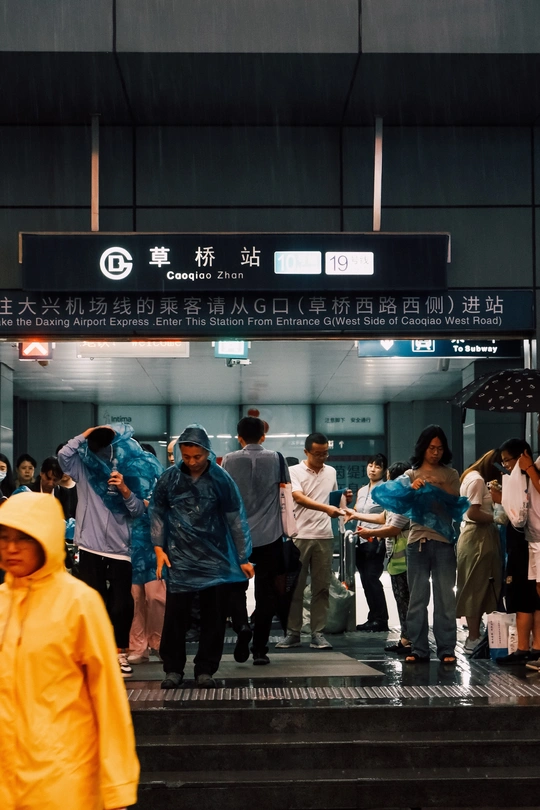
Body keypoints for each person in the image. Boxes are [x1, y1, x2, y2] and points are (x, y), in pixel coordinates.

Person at [0, 491, 139, 810]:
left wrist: (116, 786)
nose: (11, 548)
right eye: (4, 537)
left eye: (23, 537)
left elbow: (108, 696)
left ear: (46, 538)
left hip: (63, 782)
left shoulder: (79, 604)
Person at [150, 424, 254, 689]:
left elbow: (236, 519)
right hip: (180, 558)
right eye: (186, 457)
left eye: (197, 456)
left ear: (207, 452)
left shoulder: (221, 479)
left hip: (215, 558)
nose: (192, 462)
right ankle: (173, 669)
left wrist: (243, 556)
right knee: (175, 617)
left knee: (213, 617)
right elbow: (158, 513)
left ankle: (205, 669)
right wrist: (159, 549)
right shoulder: (169, 479)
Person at [58, 425, 149, 679]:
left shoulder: (126, 470)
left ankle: (120, 653)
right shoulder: (83, 468)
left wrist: (125, 490)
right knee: (94, 602)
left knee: (121, 604)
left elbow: (138, 510)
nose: (100, 452)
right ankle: (98, 653)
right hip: (89, 545)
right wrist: (87, 432)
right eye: (96, 446)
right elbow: (64, 456)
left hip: (120, 548)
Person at [222, 415, 287, 665]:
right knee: (266, 593)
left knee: (235, 588)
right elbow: (285, 492)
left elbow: (225, 495)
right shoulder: (277, 458)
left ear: (239, 438)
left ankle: (241, 626)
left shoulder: (229, 460)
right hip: (270, 535)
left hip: (237, 536)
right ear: (263, 436)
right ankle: (260, 649)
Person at [276, 432, 350, 650]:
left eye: (325, 453)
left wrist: (344, 501)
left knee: (322, 588)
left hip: (324, 536)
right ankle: (293, 633)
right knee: (295, 588)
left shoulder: (331, 471)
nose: (322, 457)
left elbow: (334, 499)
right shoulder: (294, 471)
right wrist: (326, 508)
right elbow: (298, 497)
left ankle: (318, 633)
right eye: (317, 453)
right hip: (299, 536)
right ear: (306, 452)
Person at [404, 425, 461, 664]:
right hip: (417, 540)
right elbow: (402, 505)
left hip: (444, 541)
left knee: (445, 598)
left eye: (440, 448)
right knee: (417, 598)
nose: (436, 453)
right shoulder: (410, 474)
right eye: (431, 448)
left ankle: (447, 648)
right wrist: (413, 489)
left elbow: (456, 502)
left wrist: (438, 486)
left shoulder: (451, 474)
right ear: (423, 448)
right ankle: (418, 648)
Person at [349, 461, 411, 652]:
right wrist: (356, 516)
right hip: (397, 559)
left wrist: (371, 532)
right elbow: (382, 518)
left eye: (390, 478)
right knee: (402, 600)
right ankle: (406, 639)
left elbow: (393, 528)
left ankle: (410, 640)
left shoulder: (403, 501)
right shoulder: (394, 500)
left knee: (407, 601)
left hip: (406, 560)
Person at [496, 438, 540, 667]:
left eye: (508, 460)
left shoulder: (529, 475)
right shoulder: (529, 475)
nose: (506, 466)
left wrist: (502, 500)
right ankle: (534, 648)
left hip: (527, 544)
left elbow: (517, 518)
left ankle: (525, 648)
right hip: (530, 542)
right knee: (534, 598)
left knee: (525, 597)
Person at [456, 449, 503, 655]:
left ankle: (477, 635)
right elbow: (473, 512)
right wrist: (496, 518)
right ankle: (473, 637)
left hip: (477, 535)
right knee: (475, 587)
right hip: (477, 536)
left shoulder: (471, 476)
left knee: (481, 585)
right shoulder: (477, 480)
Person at [128, 442, 166, 664]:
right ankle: (138, 646)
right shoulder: (128, 486)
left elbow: (167, 512)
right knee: (136, 598)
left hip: (156, 547)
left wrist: (149, 505)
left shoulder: (161, 485)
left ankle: (159, 643)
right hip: (132, 547)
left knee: (156, 597)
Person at [349, 453, 389, 632]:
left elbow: (389, 515)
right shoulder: (362, 490)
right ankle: (373, 618)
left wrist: (381, 535)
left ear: (384, 470)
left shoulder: (386, 489)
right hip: (360, 540)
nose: (373, 469)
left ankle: (381, 619)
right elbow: (358, 512)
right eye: (370, 465)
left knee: (372, 578)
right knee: (365, 579)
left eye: (378, 466)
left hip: (376, 539)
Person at [29, 455, 75, 520]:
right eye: (48, 478)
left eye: (55, 480)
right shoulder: (28, 490)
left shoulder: (63, 493)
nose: (50, 483)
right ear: (41, 473)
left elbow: (65, 518)